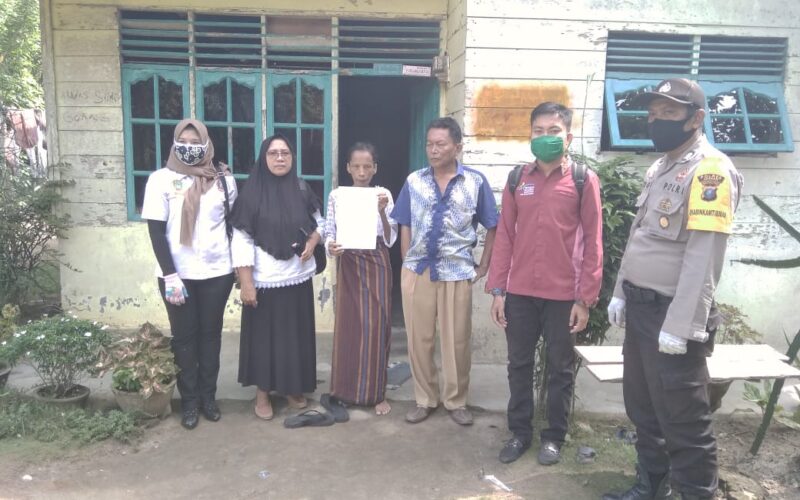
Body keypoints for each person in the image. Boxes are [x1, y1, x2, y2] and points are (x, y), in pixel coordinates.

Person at [603, 79, 743, 500]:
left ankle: (697, 493)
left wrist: (680, 326)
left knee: (684, 419)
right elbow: (640, 236)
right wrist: (621, 290)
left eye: (669, 113)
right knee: (644, 408)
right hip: (643, 311)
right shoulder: (662, 166)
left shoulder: (710, 171)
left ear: (696, 118)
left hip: (671, 316)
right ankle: (651, 486)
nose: (656, 120)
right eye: (653, 113)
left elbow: (704, 257)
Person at [486, 102, 604, 465]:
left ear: (568, 137)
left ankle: (554, 437)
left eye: (553, 131)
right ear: (530, 135)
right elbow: (505, 236)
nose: (545, 137)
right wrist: (498, 290)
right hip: (520, 292)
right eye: (538, 131)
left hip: (563, 295)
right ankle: (520, 433)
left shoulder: (582, 180)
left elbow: (594, 239)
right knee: (518, 365)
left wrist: (584, 298)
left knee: (560, 370)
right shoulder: (517, 180)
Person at [391, 117, 498, 426]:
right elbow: (404, 221)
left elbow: (493, 225)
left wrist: (484, 266)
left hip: (456, 271)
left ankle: (456, 401)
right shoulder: (414, 181)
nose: (433, 150)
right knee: (418, 340)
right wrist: (406, 261)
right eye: (429, 144)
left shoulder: (475, 182)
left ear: (457, 147)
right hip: (418, 271)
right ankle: (424, 399)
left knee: (456, 342)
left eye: (440, 144)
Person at [141, 118, 237, 430]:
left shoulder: (224, 180)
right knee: (184, 338)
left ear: (207, 145)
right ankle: (190, 402)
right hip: (176, 275)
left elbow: (231, 224)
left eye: (196, 143)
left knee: (210, 336)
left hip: (217, 272)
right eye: (183, 141)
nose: (189, 147)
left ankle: (209, 398)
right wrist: (170, 274)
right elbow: (156, 232)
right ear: (174, 143)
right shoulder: (160, 180)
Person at [230, 134, 324, 421]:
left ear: (292, 157)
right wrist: (247, 283)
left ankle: (291, 389)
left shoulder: (302, 189)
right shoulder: (251, 194)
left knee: (294, 337)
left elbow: (320, 222)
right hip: (264, 281)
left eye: (285, 153)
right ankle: (262, 394)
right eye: (273, 153)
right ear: (264, 158)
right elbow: (241, 240)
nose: (280, 158)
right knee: (265, 340)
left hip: (297, 276)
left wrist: (313, 241)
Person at [322, 142, 398, 417]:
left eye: (367, 166)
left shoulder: (383, 195)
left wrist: (382, 211)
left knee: (377, 324)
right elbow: (329, 231)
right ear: (348, 168)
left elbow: (390, 238)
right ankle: (344, 391)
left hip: (377, 260)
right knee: (349, 325)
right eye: (356, 166)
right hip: (349, 261)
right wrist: (331, 246)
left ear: (375, 168)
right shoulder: (337, 196)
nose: (362, 172)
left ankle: (376, 393)